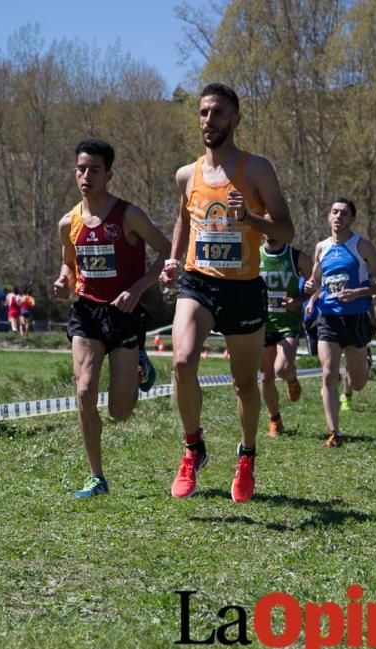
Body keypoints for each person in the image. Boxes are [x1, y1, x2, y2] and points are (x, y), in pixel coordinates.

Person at [159, 83, 294, 501]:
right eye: (203, 112)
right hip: (198, 282)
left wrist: (250, 217)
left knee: (244, 385)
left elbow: (287, 230)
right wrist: (173, 258)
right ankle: (192, 448)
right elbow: (184, 218)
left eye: (217, 113)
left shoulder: (257, 170)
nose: (208, 120)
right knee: (182, 361)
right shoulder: (187, 174)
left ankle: (247, 455)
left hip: (243, 289)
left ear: (235, 119)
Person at [54, 138, 169, 499]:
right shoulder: (68, 222)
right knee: (85, 391)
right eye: (81, 169)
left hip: (124, 313)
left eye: (95, 169)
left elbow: (168, 252)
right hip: (86, 313)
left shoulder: (128, 215)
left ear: (109, 174)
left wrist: (138, 289)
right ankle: (96, 477)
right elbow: (69, 264)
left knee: (120, 411)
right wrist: (63, 280)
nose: (86, 175)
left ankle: (137, 362)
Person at [305, 198, 376, 447]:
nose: (338, 216)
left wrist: (358, 293)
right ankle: (334, 433)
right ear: (329, 217)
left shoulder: (362, 246)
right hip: (328, 318)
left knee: (358, 383)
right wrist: (312, 291)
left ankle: (361, 361)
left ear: (352, 219)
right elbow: (317, 280)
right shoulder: (321, 247)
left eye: (344, 213)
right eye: (334, 212)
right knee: (328, 373)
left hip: (356, 319)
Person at [258, 236, 313, 438]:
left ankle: (291, 378)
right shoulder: (254, 255)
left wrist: (298, 300)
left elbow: (316, 282)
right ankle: (275, 420)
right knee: (266, 377)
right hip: (263, 324)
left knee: (282, 368)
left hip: (287, 323)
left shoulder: (297, 257)